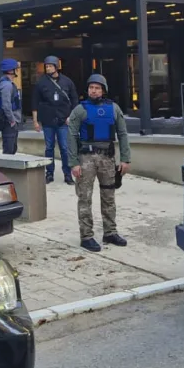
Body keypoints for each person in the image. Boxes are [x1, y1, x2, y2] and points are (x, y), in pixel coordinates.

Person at [67, 74, 131, 252]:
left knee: (109, 197)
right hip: (86, 159)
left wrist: (125, 158)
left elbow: (123, 134)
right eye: (91, 88)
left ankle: (110, 232)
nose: (94, 91)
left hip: (108, 158)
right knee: (85, 198)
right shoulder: (80, 110)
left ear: (103, 90)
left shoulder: (114, 109)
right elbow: (71, 136)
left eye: (97, 88)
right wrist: (73, 163)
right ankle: (86, 236)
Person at [32, 55, 79, 185]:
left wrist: (72, 116)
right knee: (49, 147)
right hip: (47, 120)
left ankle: (67, 174)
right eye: (46, 66)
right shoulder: (41, 83)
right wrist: (35, 121)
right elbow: (35, 102)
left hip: (64, 120)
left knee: (64, 147)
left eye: (50, 66)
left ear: (56, 67)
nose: (48, 68)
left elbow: (75, 100)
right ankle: (49, 173)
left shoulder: (67, 81)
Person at [0, 58, 22, 154]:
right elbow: (6, 105)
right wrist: (12, 120)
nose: (16, 71)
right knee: (9, 149)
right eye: (15, 69)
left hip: (9, 119)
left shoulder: (5, 83)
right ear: (10, 70)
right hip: (8, 121)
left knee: (11, 147)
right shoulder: (7, 85)